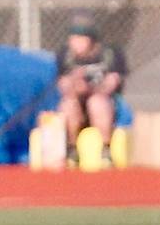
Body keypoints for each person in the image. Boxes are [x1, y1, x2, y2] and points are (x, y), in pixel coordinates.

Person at [54, 14, 127, 168]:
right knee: (68, 104)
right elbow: (62, 85)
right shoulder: (66, 56)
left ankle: (106, 149)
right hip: (78, 104)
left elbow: (112, 84)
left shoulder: (110, 54)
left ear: (91, 39)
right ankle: (72, 149)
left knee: (96, 102)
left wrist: (91, 89)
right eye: (73, 39)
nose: (75, 43)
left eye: (80, 39)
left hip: (105, 104)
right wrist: (75, 85)